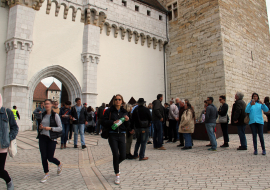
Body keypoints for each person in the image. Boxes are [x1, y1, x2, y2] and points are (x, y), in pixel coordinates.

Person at [102, 94, 130, 185]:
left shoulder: (124, 111)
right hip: (112, 135)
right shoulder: (109, 111)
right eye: (116, 99)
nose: (118, 101)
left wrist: (127, 120)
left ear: (122, 101)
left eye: (119, 99)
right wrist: (112, 122)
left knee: (123, 155)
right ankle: (117, 174)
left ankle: (115, 164)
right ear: (114, 101)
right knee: (115, 154)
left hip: (121, 134)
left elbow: (127, 126)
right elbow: (103, 122)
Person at [37, 99, 62, 183]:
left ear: (51, 105)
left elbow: (60, 128)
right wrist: (40, 128)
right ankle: (46, 174)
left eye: (48, 104)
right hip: (42, 137)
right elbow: (40, 126)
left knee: (50, 158)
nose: (46, 105)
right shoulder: (42, 115)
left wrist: (50, 128)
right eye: (45, 104)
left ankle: (59, 164)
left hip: (51, 138)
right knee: (43, 156)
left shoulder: (55, 115)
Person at [0, 93, 18, 190]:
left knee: (0, 170)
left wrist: (9, 137)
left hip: (2, 147)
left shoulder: (7, 112)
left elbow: (14, 127)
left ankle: (9, 181)